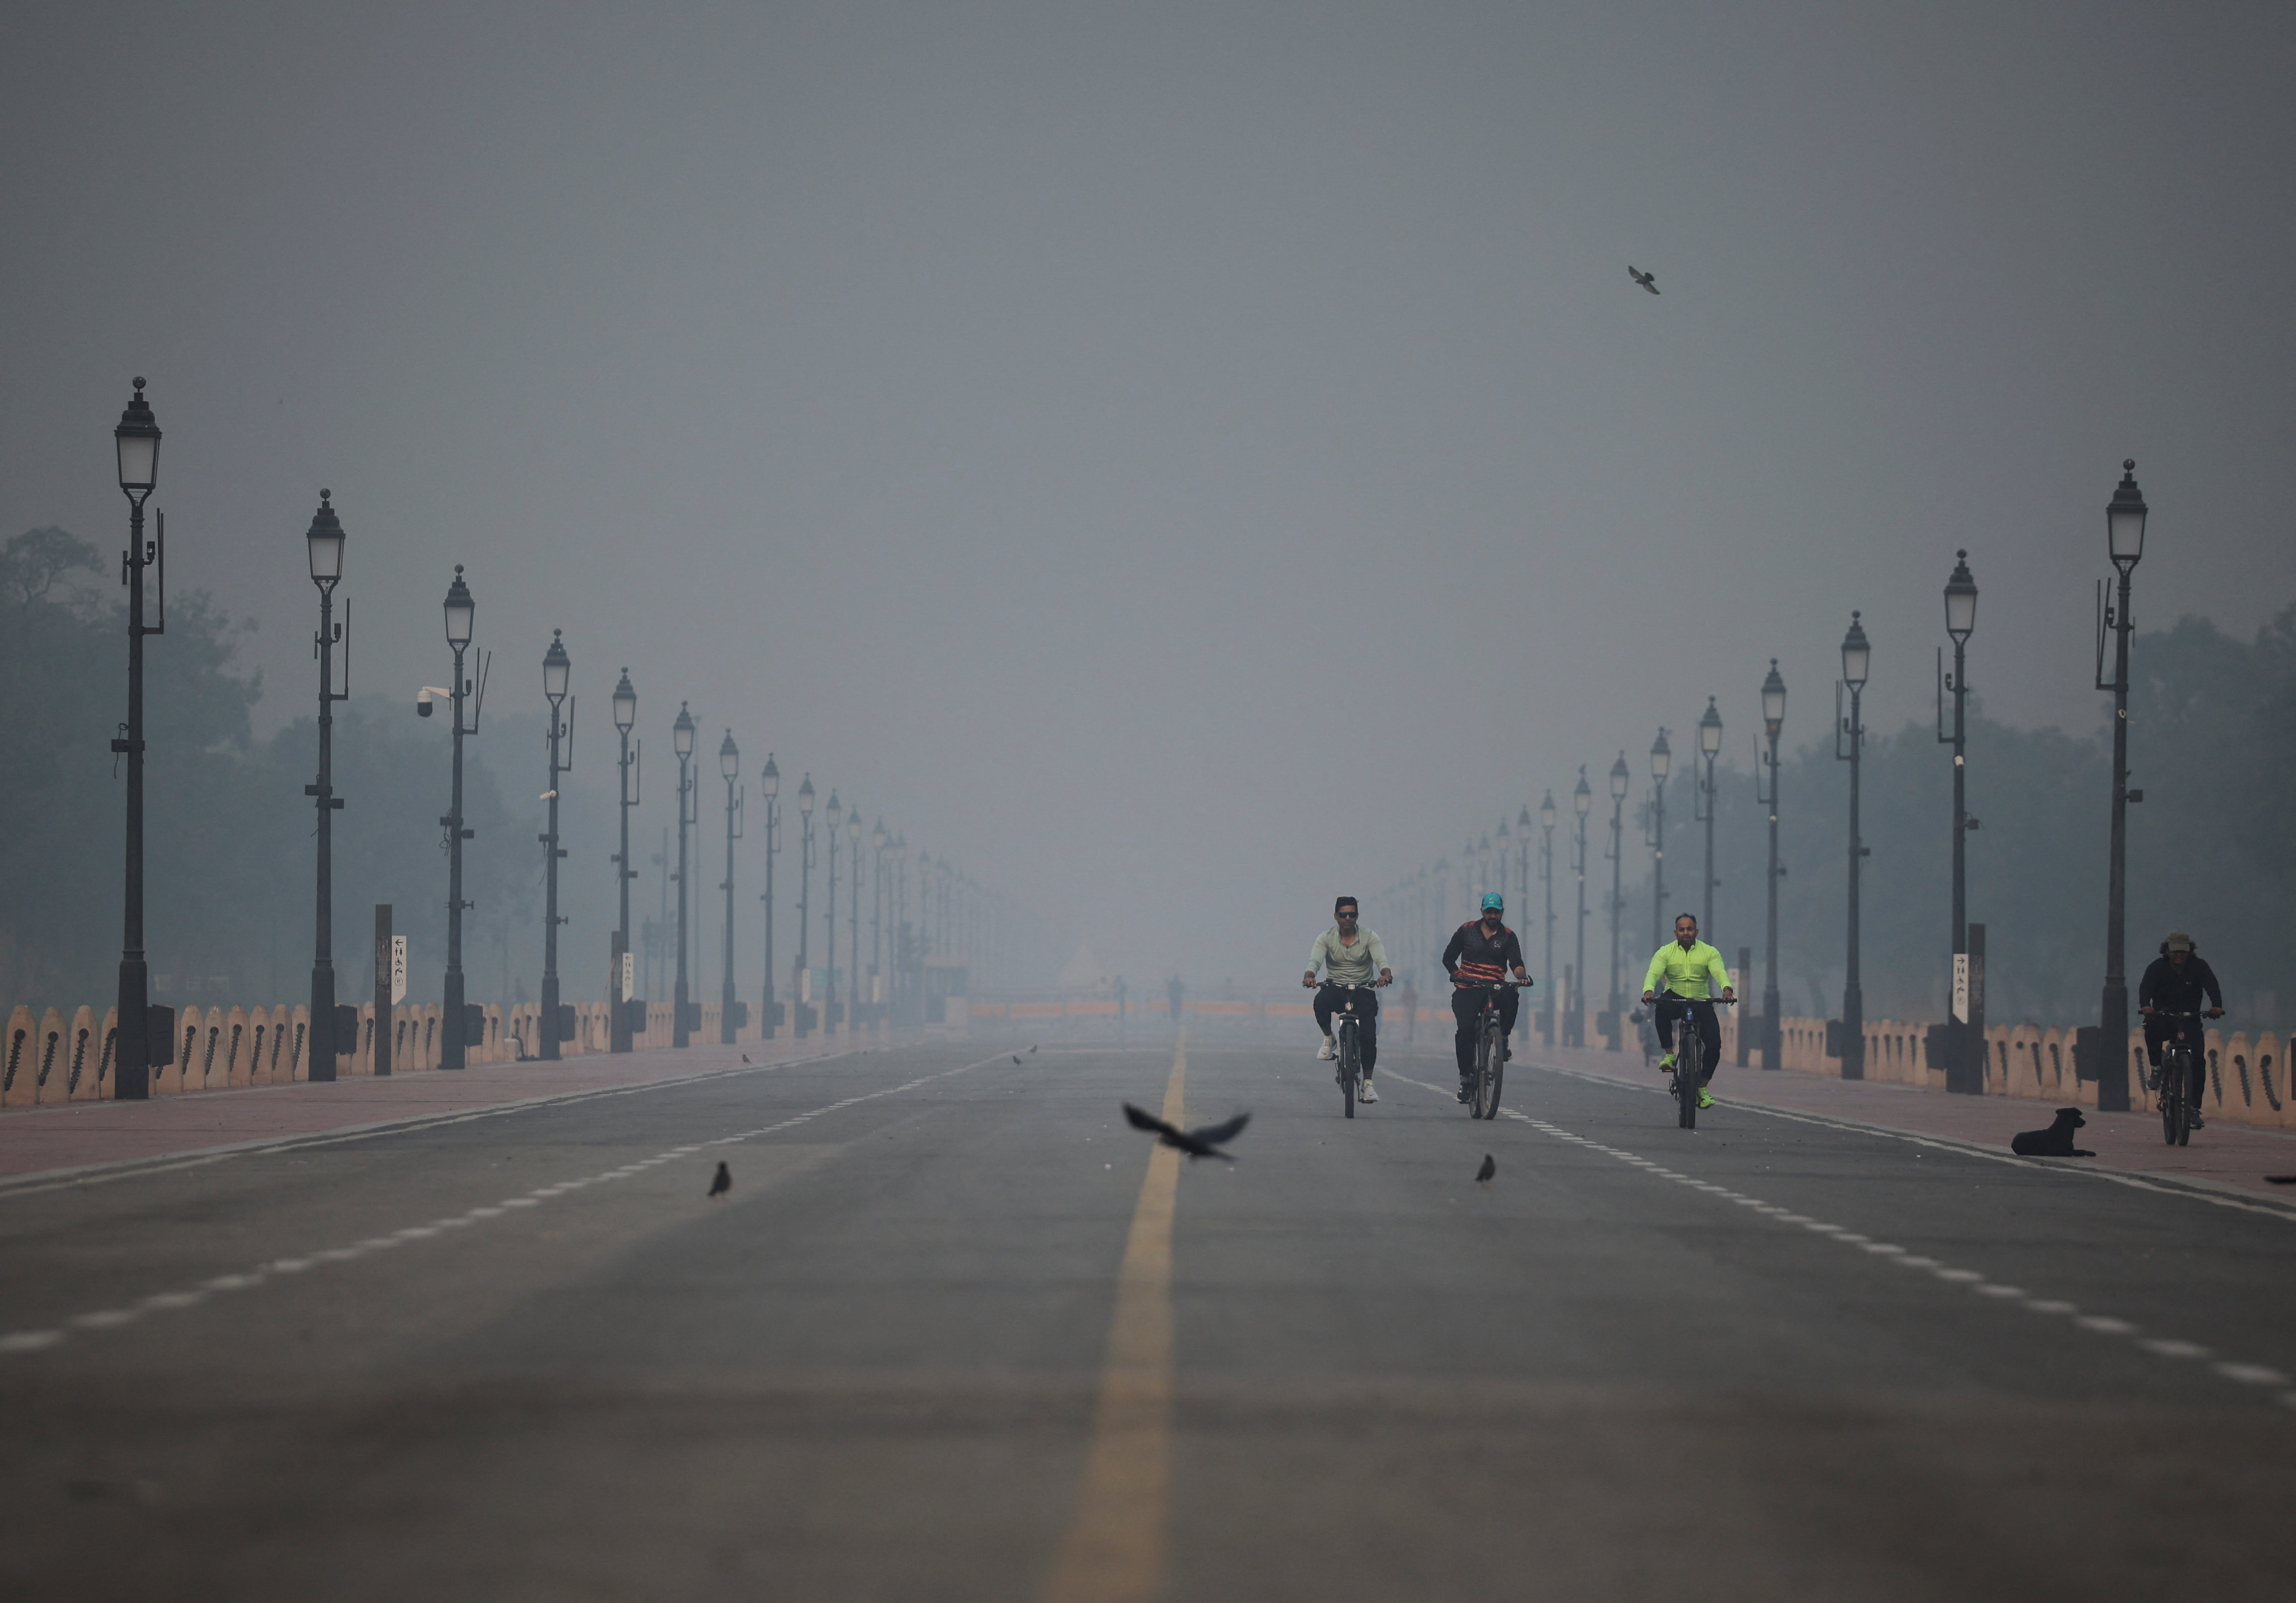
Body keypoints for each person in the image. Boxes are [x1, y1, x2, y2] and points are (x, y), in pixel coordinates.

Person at [1639, 913, 1736, 1110]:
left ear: (1696, 932)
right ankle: (1669, 1055)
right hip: (1675, 995)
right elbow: (1654, 972)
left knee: (1714, 1044)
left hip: (1701, 999)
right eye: (1682, 929)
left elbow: (1719, 972)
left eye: (1690, 929)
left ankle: (1702, 1088)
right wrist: (1648, 991)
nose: (1686, 933)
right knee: (1661, 1008)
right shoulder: (1665, 952)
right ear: (1676, 932)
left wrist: (1727, 989)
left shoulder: (1709, 952)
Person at [1442, 893, 1530, 1102]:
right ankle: (1465, 1078)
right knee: (1465, 1030)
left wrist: (1522, 976)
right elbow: (1448, 957)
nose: (1492, 916)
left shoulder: (1508, 936)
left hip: (1495, 987)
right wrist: (1455, 973)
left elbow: (1516, 963)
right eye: (1489, 912)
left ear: (1502, 913)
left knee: (1512, 994)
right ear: (1482, 911)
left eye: (1496, 912)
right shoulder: (1466, 930)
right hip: (1468, 987)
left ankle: (1503, 1038)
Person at [1304, 897, 1393, 1100]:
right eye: (1343, 915)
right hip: (1336, 987)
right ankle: (1329, 1039)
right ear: (1336, 916)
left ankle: (1368, 1084)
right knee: (1320, 1002)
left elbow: (1381, 959)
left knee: (1369, 1037)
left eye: (1352, 915)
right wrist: (1309, 976)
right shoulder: (1326, 938)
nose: (1347, 918)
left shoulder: (1370, 937)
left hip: (1363, 989)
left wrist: (1386, 975)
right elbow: (1315, 961)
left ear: (1357, 916)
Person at [2139, 930, 2225, 1130]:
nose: (2179, 955)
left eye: (2183, 952)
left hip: (2190, 1019)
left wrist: (2217, 1006)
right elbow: (2146, 988)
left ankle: (2194, 1108)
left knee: (2198, 1062)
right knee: (2151, 1028)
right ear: (2167, 950)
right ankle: (2157, 1069)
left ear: (2189, 951)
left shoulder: (2199, 966)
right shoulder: (2157, 967)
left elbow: (2211, 985)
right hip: (2164, 1017)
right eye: (2175, 951)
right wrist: (2146, 1006)